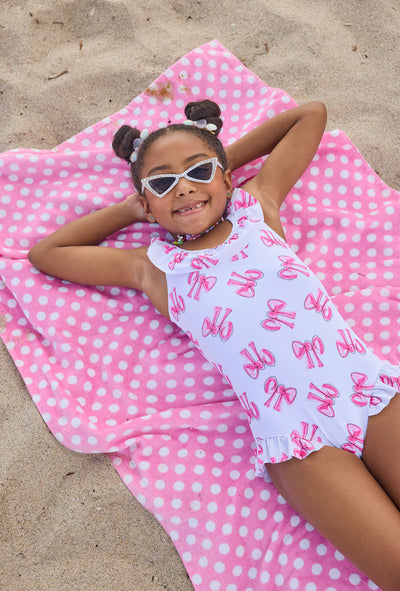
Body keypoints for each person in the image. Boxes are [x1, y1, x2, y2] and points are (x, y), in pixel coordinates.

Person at [28, 99, 400, 590]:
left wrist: (221, 166)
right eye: (161, 183)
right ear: (148, 203)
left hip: (367, 396)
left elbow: (309, 115)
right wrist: (128, 209)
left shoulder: (259, 208)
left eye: (197, 170)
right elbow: (46, 254)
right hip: (298, 443)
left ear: (226, 178)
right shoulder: (152, 268)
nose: (182, 187)